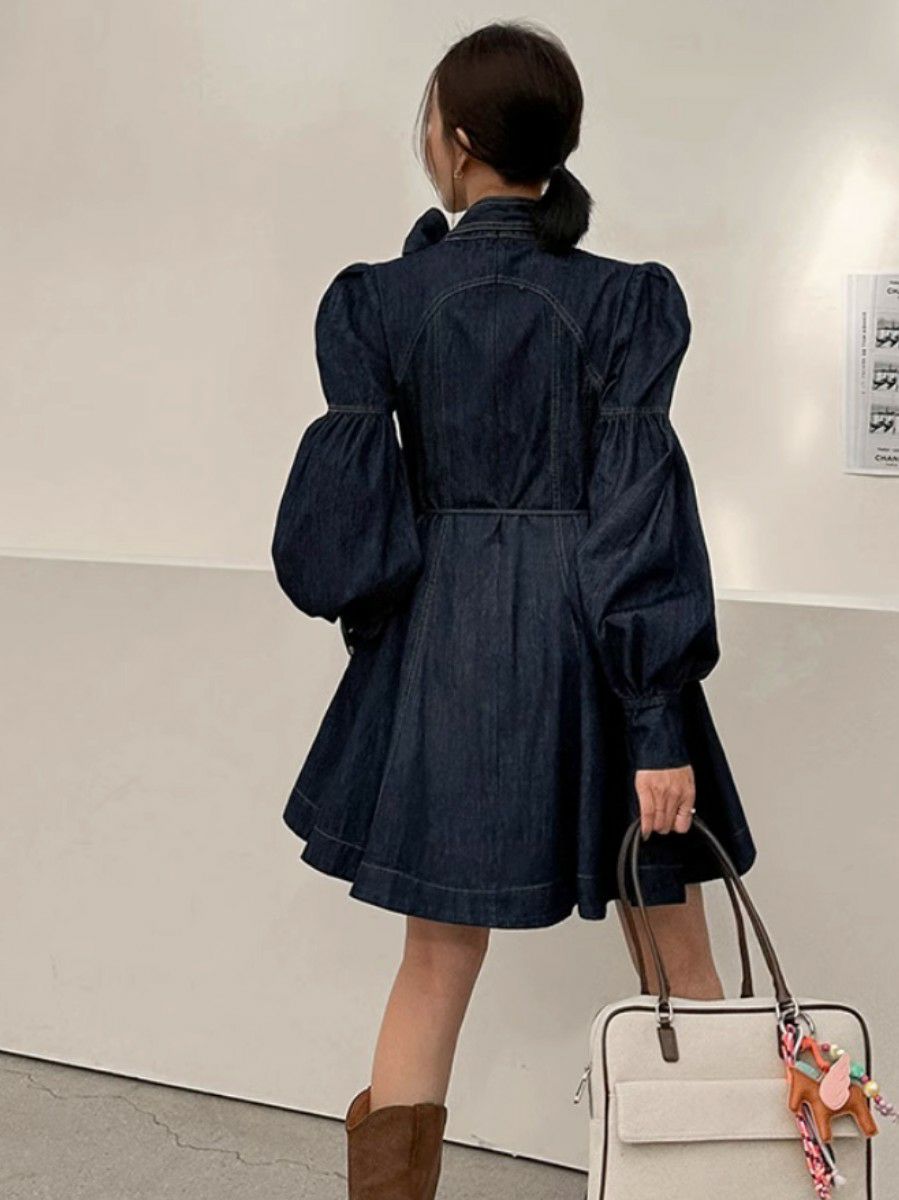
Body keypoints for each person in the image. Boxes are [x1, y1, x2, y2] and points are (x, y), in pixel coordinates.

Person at [271, 19, 757, 1199]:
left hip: (442, 660)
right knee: (675, 952)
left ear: (454, 139)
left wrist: (398, 644)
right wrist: (653, 720)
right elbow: (637, 514)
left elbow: (344, 542)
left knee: (433, 964)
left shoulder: (379, 303)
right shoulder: (624, 302)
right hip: (599, 653)